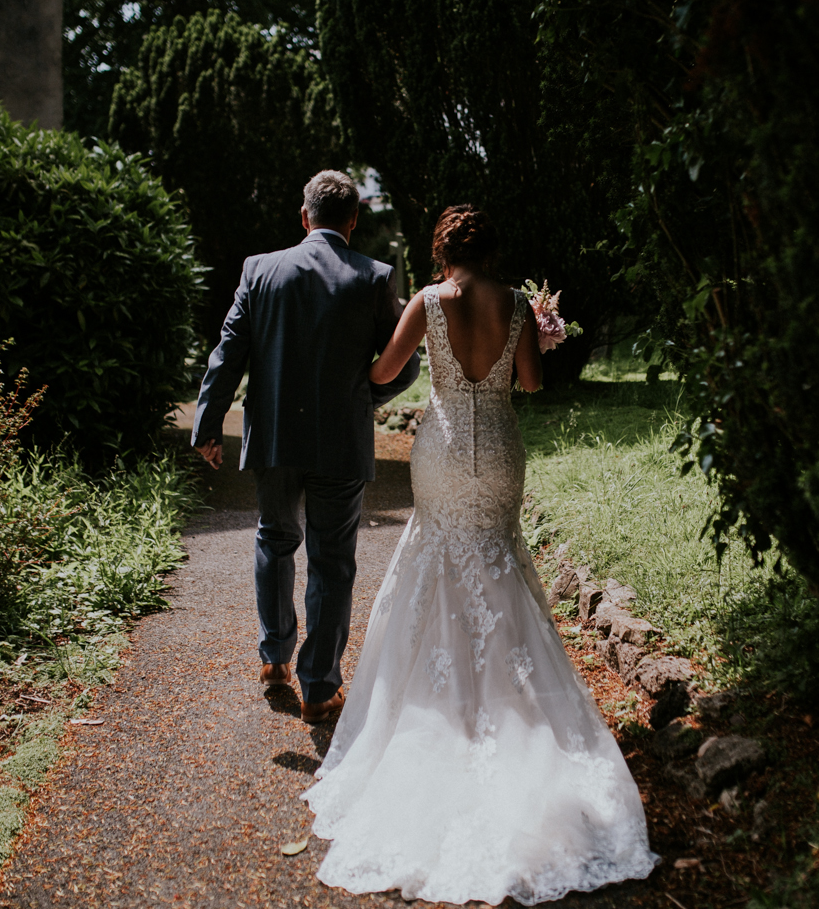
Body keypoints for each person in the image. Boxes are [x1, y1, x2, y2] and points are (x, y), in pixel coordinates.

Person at [301, 205, 659, 905]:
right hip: (497, 450)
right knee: (498, 563)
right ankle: (516, 704)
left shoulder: (428, 302)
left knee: (437, 563)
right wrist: (539, 336)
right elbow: (529, 385)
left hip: (439, 451)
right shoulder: (516, 302)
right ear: (491, 251)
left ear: (441, 252)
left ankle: (446, 706)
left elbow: (383, 373)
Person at [190, 170, 421, 724]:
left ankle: (274, 660)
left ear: (304, 216)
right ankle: (319, 687)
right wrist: (367, 390)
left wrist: (207, 422)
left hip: (273, 437)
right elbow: (406, 360)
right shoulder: (374, 277)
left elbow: (229, 352)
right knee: (333, 560)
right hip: (341, 438)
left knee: (274, 539)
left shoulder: (260, 270)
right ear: (354, 218)